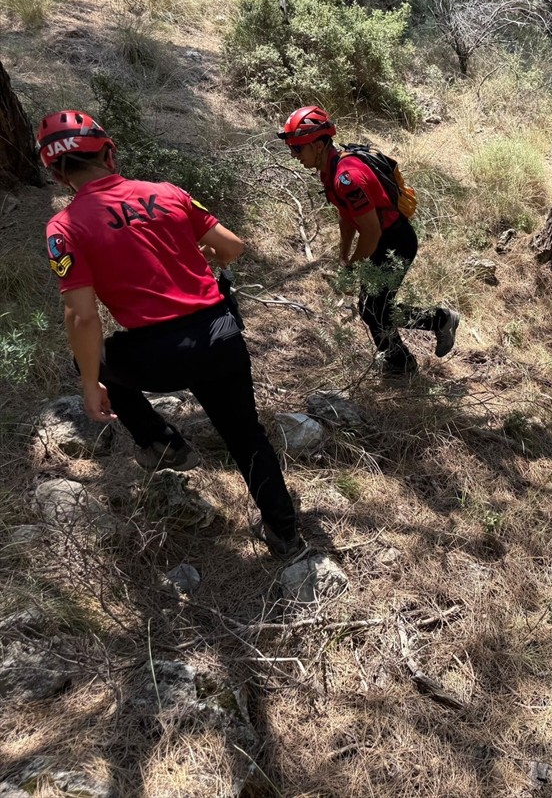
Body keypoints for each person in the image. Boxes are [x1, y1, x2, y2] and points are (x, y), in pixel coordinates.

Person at [39, 110, 304, 561]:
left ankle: (163, 443)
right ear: (109, 152)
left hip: (157, 353)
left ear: (59, 175)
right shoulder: (167, 192)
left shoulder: (63, 229)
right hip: (220, 333)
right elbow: (233, 248)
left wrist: (89, 384)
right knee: (245, 436)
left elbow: (81, 317)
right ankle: (286, 536)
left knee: (92, 360)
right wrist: (196, 253)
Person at [278, 106, 458, 375]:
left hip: (395, 242)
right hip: (383, 241)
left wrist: (353, 267)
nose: (294, 156)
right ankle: (415, 347)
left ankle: (419, 344)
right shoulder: (331, 168)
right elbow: (347, 216)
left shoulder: (346, 178)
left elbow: (371, 231)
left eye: (297, 149)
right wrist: (344, 254)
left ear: (316, 145)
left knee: (373, 308)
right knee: (373, 307)